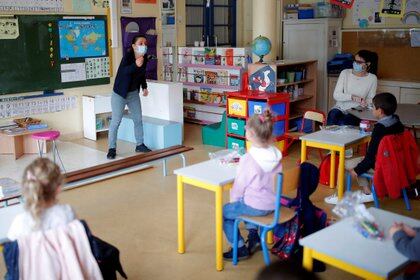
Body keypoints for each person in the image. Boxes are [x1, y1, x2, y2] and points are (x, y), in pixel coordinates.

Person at [223, 110, 283, 261]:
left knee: (225, 212)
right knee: (248, 199)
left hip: (256, 207)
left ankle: (239, 247)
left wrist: (233, 202)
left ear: (249, 134)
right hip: (273, 204)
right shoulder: (277, 154)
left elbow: (238, 188)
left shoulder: (248, 159)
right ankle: (254, 235)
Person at [325, 92, 404, 204]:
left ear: (380, 111)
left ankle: (339, 197)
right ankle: (367, 192)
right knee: (361, 162)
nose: (371, 109)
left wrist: (356, 171)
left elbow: (370, 158)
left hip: (382, 166)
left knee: (344, 163)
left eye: (373, 107)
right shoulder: (397, 122)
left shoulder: (379, 130)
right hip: (396, 162)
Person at [7, 158, 76, 240]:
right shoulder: (67, 213)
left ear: (26, 188)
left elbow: (11, 250)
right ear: (58, 188)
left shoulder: (19, 222)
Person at [107, 35, 151, 159]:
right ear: (133, 46)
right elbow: (123, 72)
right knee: (116, 122)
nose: (143, 45)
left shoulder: (144, 58)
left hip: (133, 94)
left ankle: (140, 144)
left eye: (145, 43)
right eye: (140, 43)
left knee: (138, 119)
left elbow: (142, 74)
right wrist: (135, 65)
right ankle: (111, 148)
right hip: (119, 94)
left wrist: (144, 87)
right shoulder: (127, 57)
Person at [327, 50, 378, 126]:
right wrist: (352, 97)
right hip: (340, 107)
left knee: (344, 123)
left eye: (359, 62)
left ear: (368, 64)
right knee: (333, 117)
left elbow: (371, 99)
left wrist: (364, 102)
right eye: (355, 60)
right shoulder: (345, 73)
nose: (355, 63)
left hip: (357, 110)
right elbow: (336, 95)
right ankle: (327, 137)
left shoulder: (372, 78)